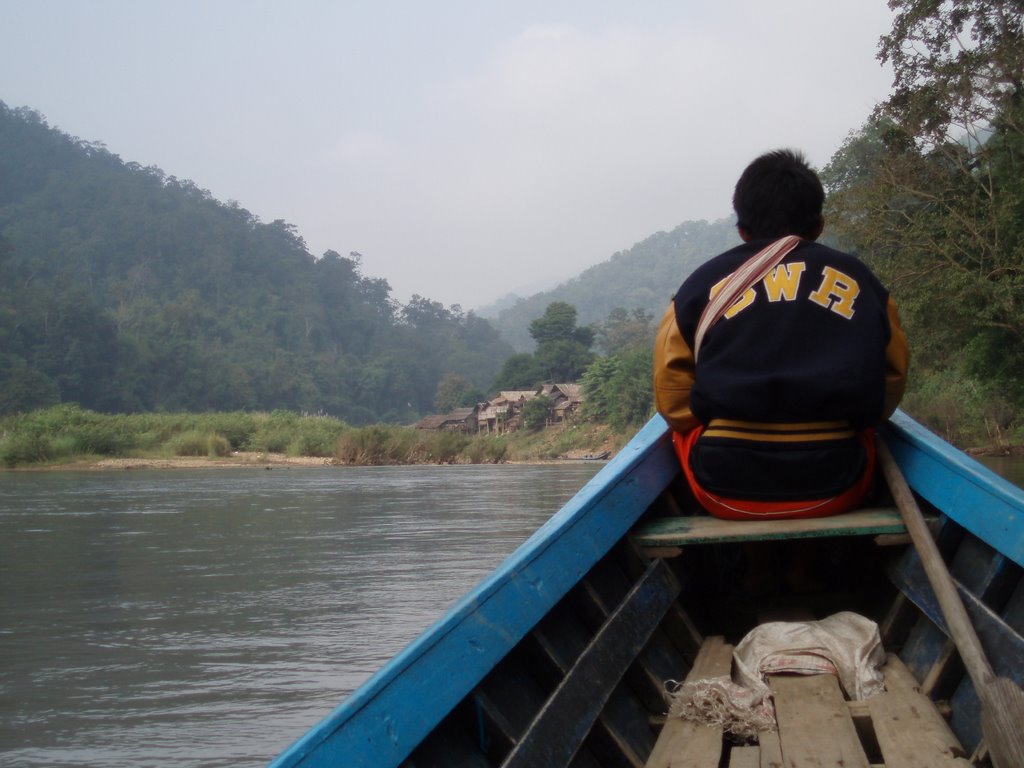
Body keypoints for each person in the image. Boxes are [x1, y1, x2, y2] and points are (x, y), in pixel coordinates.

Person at [653, 149, 909, 520]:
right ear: (818, 225)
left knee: (678, 435)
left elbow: (673, 405)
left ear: (742, 230)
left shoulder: (697, 287)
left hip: (723, 490)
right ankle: (806, 569)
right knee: (867, 433)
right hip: (837, 484)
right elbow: (890, 385)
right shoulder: (861, 281)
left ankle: (758, 567)